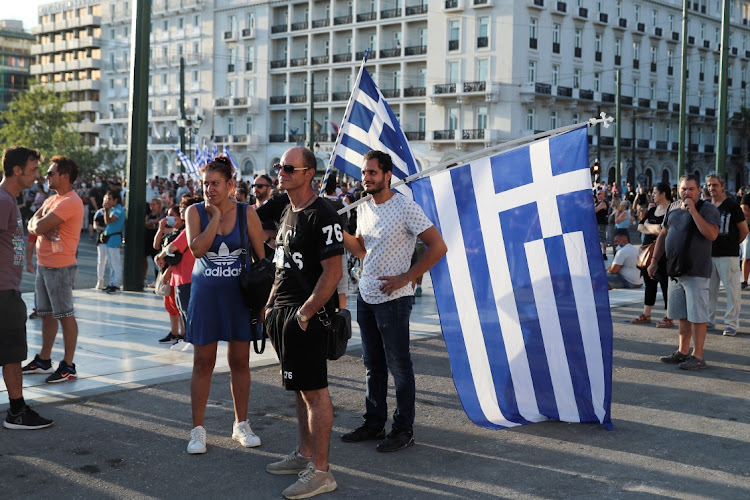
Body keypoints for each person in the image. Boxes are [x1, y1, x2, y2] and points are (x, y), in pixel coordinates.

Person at [340, 150, 447, 452]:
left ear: (387, 175)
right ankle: (374, 423)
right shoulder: (363, 207)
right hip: (367, 295)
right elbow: (363, 249)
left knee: (399, 366)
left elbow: (438, 246)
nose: (366, 178)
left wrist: (407, 277)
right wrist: (339, 233)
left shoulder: (405, 207)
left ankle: (403, 429)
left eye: (372, 173)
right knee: (372, 365)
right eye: (364, 173)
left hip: (395, 299)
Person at [262, 146, 343, 499]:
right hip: (282, 312)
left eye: (289, 167)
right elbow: (282, 264)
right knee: (300, 388)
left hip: (304, 315)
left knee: (315, 392)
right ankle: (305, 453)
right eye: (280, 166)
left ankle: (322, 471)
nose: (282, 171)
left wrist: (306, 313)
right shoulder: (287, 210)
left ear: (309, 173)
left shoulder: (322, 214)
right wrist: (268, 307)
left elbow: (333, 271)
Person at [184, 156, 266, 455]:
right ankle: (198, 430)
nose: (209, 189)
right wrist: (215, 216)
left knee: (240, 362)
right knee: (202, 363)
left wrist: (263, 304)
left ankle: (240, 424)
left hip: (239, 299)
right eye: (205, 184)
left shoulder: (248, 213)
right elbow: (197, 249)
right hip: (205, 297)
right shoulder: (195, 211)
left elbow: (261, 259)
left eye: (215, 183)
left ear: (230, 184)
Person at [1, 146, 54, 429]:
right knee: (11, 354)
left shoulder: (10, 201)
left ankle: (17, 410)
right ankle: (17, 412)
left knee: (10, 353)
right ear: (17, 170)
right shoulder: (3, 200)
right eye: (33, 170)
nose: (37, 176)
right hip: (2, 293)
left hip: (8, 290)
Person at [647, 174, 720, 371]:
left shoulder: (708, 209)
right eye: (683, 189)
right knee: (682, 314)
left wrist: (694, 211)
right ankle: (683, 351)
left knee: (697, 315)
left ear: (698, 190)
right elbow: (663, 234)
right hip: (675, 270)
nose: (686, 192)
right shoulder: (672, 208)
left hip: (696, 270)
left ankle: (698, 355)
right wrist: (654, 260)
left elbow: (712, 234)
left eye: (690, 189)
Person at [23, 156, 84, 383]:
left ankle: (68, 365)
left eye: (51, 173)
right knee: (47, 314)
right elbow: (32, 224)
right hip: (45, 264)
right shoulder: (52, 200)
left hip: (60, 267)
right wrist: (38, 225)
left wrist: (39, 225)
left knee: (65, 315)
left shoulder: (68, 202)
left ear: (65, 176)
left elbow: (37, 225)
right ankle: (44, 360)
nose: (46, 176)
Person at [155, 196, 201, 350]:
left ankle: (191, 340)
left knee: (187, 310)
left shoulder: (190, 228)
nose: (181, 210)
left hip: (186, 275)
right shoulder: (195, 227)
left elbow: (174, 246)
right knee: (184, 309)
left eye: (184, 208)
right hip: (183, 275)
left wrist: (161, 255)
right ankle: (188, 338)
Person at [705, 174, 748, 336]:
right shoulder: (707, 206)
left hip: (728, 255)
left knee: (732, 291)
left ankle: (731, 324)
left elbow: (744, 231)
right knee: (709, 290)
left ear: (722, 186)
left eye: (715, 185)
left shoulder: (732, 206)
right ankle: (709, 320)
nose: (711, 188)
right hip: (709, 254)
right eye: (709, 185)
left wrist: (732, 245)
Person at [632, 183, 673, 327]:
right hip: (648, 252)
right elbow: (640, 226)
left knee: (666, 284)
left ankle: (669, 316)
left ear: (663, 194)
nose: (652, 195)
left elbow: (664, 230)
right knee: (649, 283)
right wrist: (651, 228)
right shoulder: (653, 210)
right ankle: (646, 314)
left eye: (655, 193)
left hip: (665, 252)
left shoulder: (672, 209)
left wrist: (649, 227)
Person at [102, 190, 125, 293]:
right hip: (110, 239)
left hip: (114, 238)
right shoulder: (113, 209)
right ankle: (112, 282)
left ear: (116, 200)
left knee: (115, 263)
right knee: (111, 262)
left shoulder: (118, 210)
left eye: (110, 199)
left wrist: (105, 210)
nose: (107, 201)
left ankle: (116, 284)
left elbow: (109, 221)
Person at [144, 197, 164, 287]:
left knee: (156, 259)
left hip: (155, 238)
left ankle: (157, 279)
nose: (151, 206)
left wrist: (151, 223)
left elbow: (158, 223)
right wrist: (153, 222)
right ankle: (143, 277)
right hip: (148, 237)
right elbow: (145, 224)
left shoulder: (160, 214)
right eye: (151, 204)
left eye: (154, 204)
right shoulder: (149, 214)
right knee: (144, 258)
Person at [93, 206, 107, 289]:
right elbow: (95, 225)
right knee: (101, 260)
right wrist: (104, 229)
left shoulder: (115, 211)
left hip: (112, 240)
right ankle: (100, 280)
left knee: (112, 261)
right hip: (101, 239)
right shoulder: (99, 212)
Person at [594, 190, 609, 260]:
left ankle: (604, 253)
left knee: (602, 238)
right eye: (597, 194)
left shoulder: (603, 202)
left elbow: (596, 210)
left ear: (604, 194)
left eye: (599, 194)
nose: (598, 195)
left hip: (601, 222)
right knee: (599, 238)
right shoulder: (599, 202)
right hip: (598, 222)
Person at [741, 190, 750, 290]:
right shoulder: (747, 196)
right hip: (749, 231)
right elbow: (743, 210)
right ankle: (744, 280)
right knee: (747, 257)